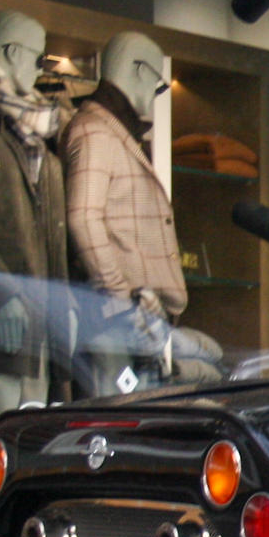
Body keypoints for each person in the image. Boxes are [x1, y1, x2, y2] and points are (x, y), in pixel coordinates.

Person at [63, 31, 226, 394]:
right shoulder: (95, 133)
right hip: (114, 319)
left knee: (133, 417)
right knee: (114, 422)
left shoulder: (111, 132)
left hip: (135, 320)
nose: (155, 98)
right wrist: (122, 297)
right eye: (156, 85)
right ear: (138, 71)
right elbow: (82, 218)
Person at [0, 10, 71, 441]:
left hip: (36, 334)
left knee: (27, 454)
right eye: (37, 57)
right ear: (11, 52)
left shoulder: (41, 147)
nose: (38, 68)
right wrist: (1, 291)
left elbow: (55, 243)